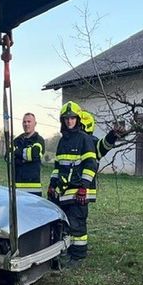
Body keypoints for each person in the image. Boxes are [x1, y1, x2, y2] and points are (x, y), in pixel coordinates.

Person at [48, 101, 98, 264]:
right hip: (63, 190)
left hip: (78, 191)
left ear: (78, 119)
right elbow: (58, 166)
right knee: (66, 223)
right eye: (66, 118)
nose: (69, 121)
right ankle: (67, 252)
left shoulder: (85, 139)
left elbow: (91, 165)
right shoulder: (63, 141)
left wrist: (84, 187)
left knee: (77, 224)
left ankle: (78, 256)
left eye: (72, 118)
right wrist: (52, 184)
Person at [12, 112, 46, 195]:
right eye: (24, 122)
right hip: (16, 188)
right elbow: (8, 156)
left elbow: (33, 155)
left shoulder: (39, 140)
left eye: (29, 121)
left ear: (35, 123)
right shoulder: (16, 140)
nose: (26, 124)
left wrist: (16, 153)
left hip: (33, 189)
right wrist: (25, 155)